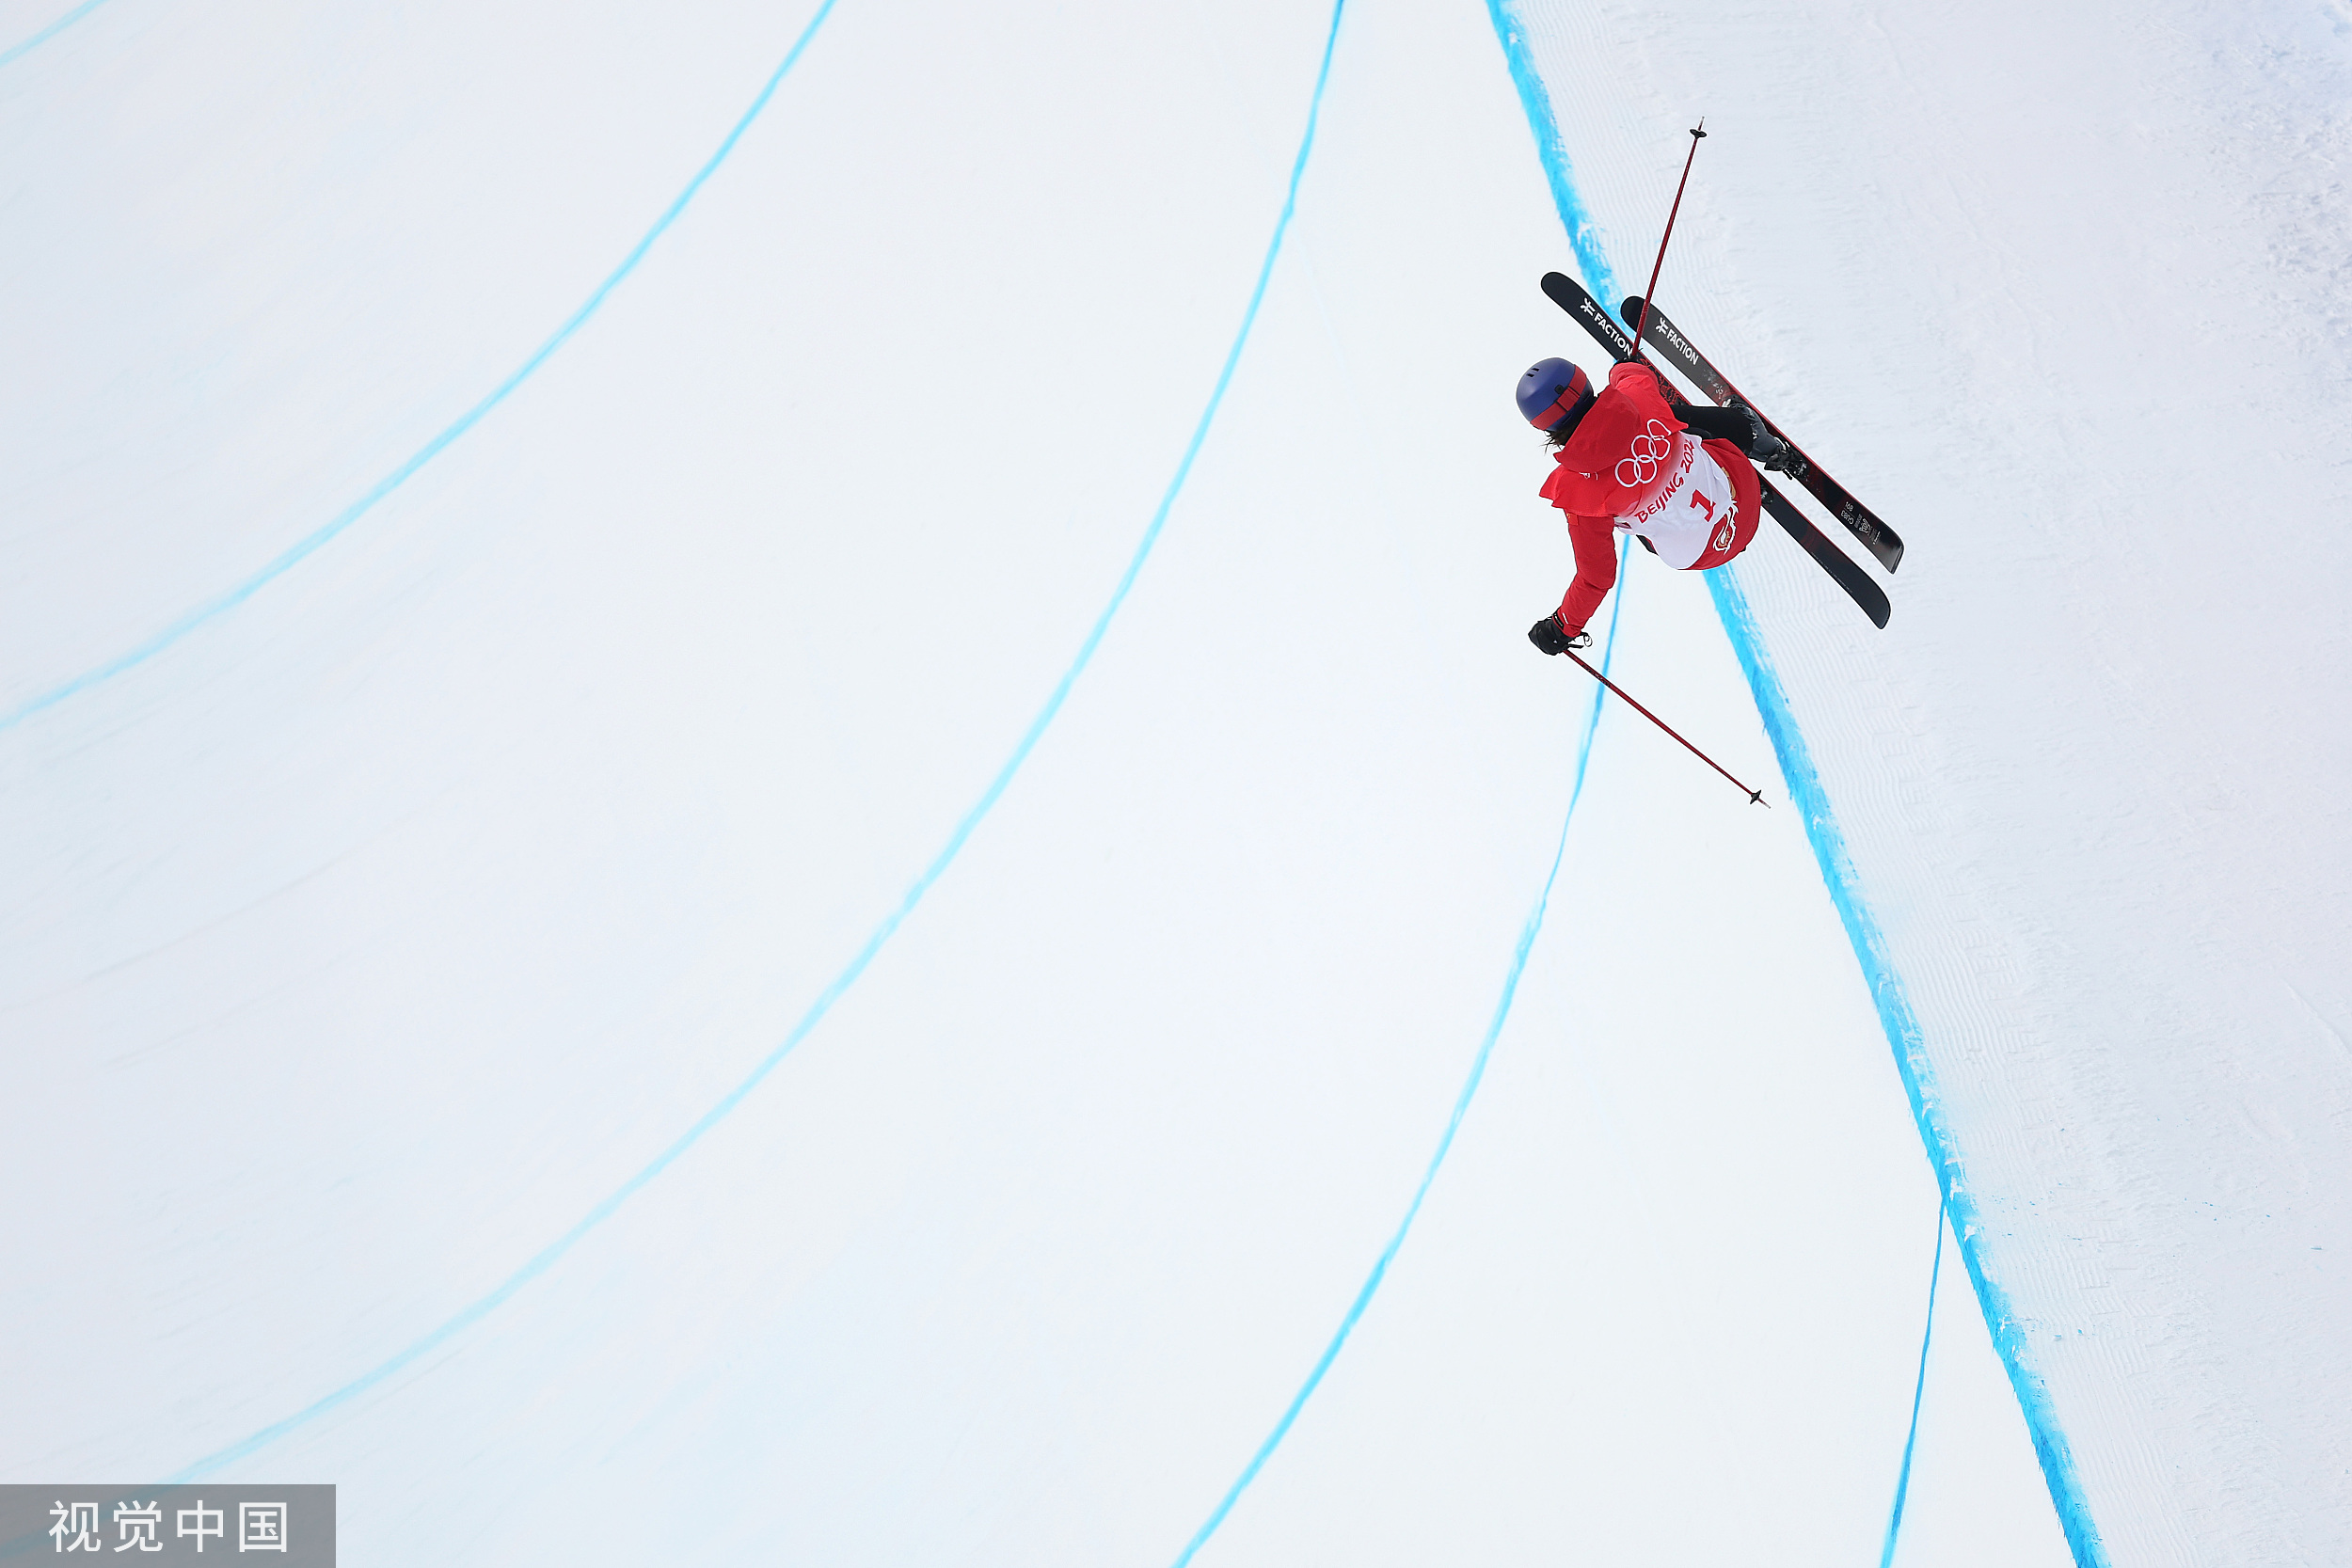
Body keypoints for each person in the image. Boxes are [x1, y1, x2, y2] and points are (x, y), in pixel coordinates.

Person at [1516, 356, 1788, 654]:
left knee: (1631, 521)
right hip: (1742, 492)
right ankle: (1757, 440)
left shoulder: (1577, 492)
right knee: (1675, 420)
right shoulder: (1637, 395)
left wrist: (1562, 626)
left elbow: (1596, 578)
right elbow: (1635, 374)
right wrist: (1622, 366)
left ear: (1544, 427)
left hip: (1708, 554)